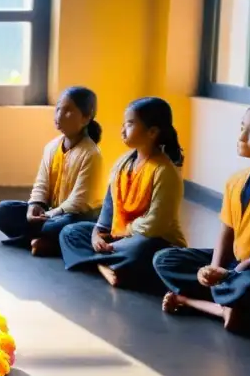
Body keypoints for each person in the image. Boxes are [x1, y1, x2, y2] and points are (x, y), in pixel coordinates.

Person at [153, 104, 250, 345]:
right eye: (241, 128)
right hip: (234, 267)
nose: (241, 137)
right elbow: (226, 233)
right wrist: (213, 271)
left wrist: (231, 273)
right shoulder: (235, 181)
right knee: (164, 259)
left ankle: (194, 302)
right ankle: (228, 306)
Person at [59, 97, 186, 291]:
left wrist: (123, 236)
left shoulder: (165, 171)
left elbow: (155, 224)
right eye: (123, 124)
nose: (122, 130)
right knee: (71, 232)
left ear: (152, 132)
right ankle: (106, 266)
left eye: (130, 124)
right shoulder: (123, 162)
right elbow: (110, 207)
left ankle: (100, 263)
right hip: (118, 238)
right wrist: (97, 234)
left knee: (140, 251)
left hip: (151, 240)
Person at [0, 86, 104, 256]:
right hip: (51, 213)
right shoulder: (51, 147)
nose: (59, 115)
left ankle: (43, 241)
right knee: (2, 211)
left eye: (68, 111)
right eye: (58, 108)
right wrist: (34, 206)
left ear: (86, 118)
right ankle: (44, 242)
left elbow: (78, 202)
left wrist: (49, 214)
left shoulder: (91, 154)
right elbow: (41, 184)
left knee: (59, 226)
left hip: (76, 216)